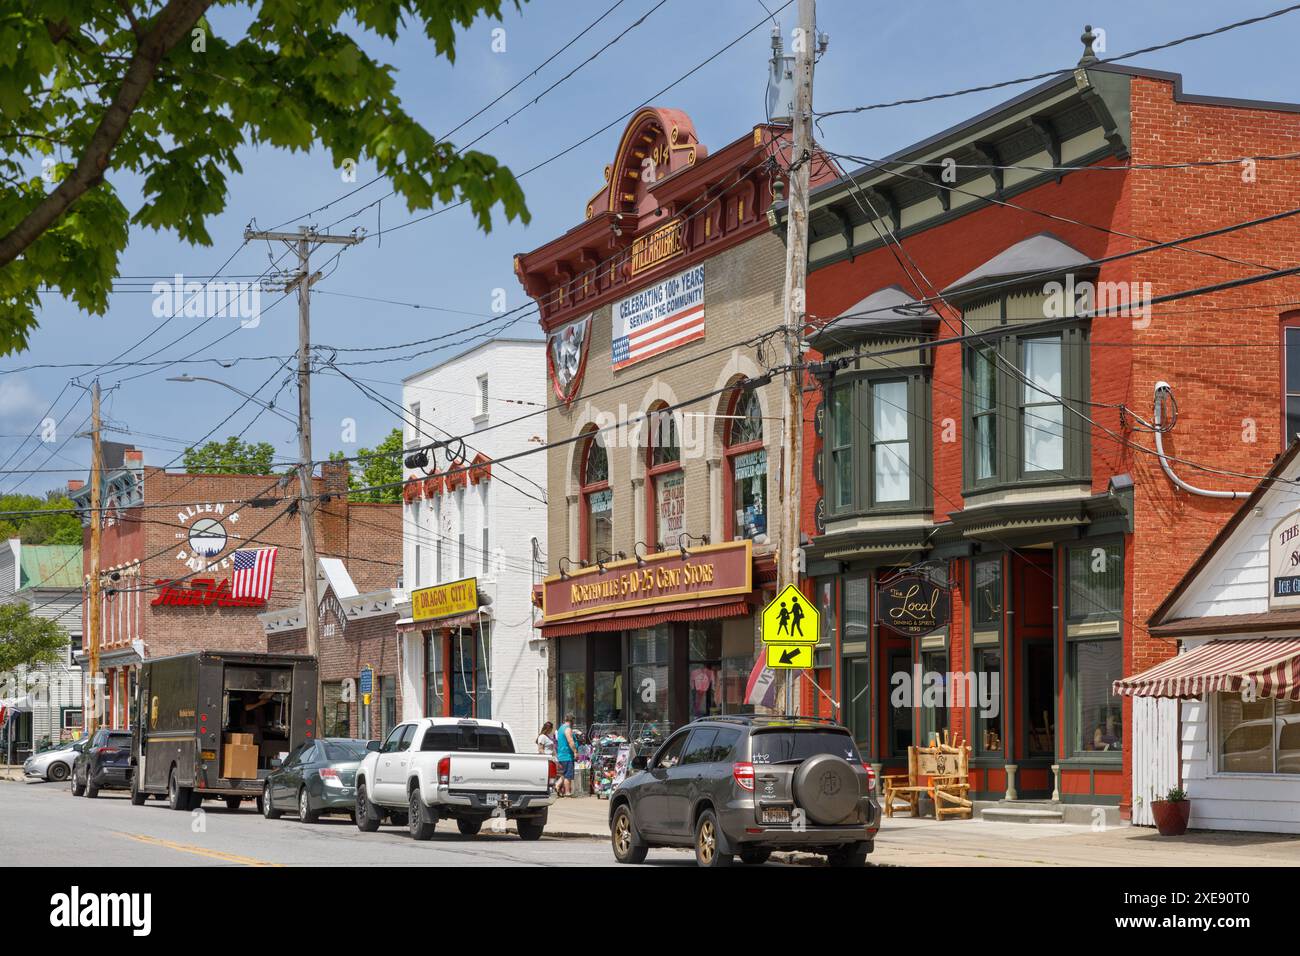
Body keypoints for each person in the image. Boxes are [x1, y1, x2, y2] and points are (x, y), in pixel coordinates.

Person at [555, 714, 579, 797]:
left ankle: (557, 785)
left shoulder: (561, 728)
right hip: (567, 755)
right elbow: (570, 741)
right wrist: (575, 751)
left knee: (564, 774)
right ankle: (567, 792)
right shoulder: (567, 729)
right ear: (572, 721)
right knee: (568, 775)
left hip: (561, 755)